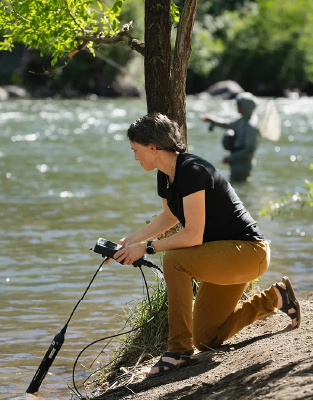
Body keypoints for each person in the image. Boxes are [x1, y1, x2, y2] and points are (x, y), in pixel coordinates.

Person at [112, 113, 300, 378]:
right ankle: (276, 297)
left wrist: (148, 248)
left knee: (175, 260)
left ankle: (177, 350)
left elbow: (193, 236)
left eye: (136, 150)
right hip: (222, 256)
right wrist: (129, 241)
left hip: (248, 253)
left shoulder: (192, 170)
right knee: (207, 339)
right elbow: (170, 217)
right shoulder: (165, 176)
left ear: (153, 148)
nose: (135, 157)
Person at [200, 92, 259, 182]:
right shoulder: (241, 121)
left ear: (246, 106)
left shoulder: (251, 126)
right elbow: (227, 124)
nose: (237, 107)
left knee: (239, 184)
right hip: (236, 160)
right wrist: (212, 120)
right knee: (235, 185)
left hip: (243, 163)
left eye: (239, 104)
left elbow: (249, 149)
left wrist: (231, 158)